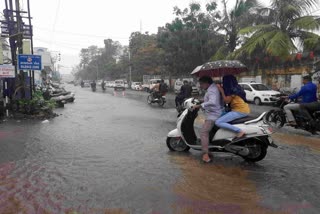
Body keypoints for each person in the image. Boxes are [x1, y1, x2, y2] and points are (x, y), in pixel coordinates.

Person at [192, 76, 223, 163]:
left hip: (213, 115)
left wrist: (200, 105)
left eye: (201, 84)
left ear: (207, 83)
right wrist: (200, 100)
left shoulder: (212, 90)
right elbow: (210, 100)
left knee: (203, 133)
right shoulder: (212, 88)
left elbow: (213, 102)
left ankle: (205, 155)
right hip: (213, 113)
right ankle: (209, 150)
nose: (200, 86)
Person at [215, 75, 250, 140]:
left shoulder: (232, 91)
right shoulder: (236, 88)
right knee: (219, 115)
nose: (223, 83)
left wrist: (221, 90)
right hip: (243, 109)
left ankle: (240, 131)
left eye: (224, 82)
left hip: (239, 111)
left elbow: (226, 101)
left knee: (218, 122)